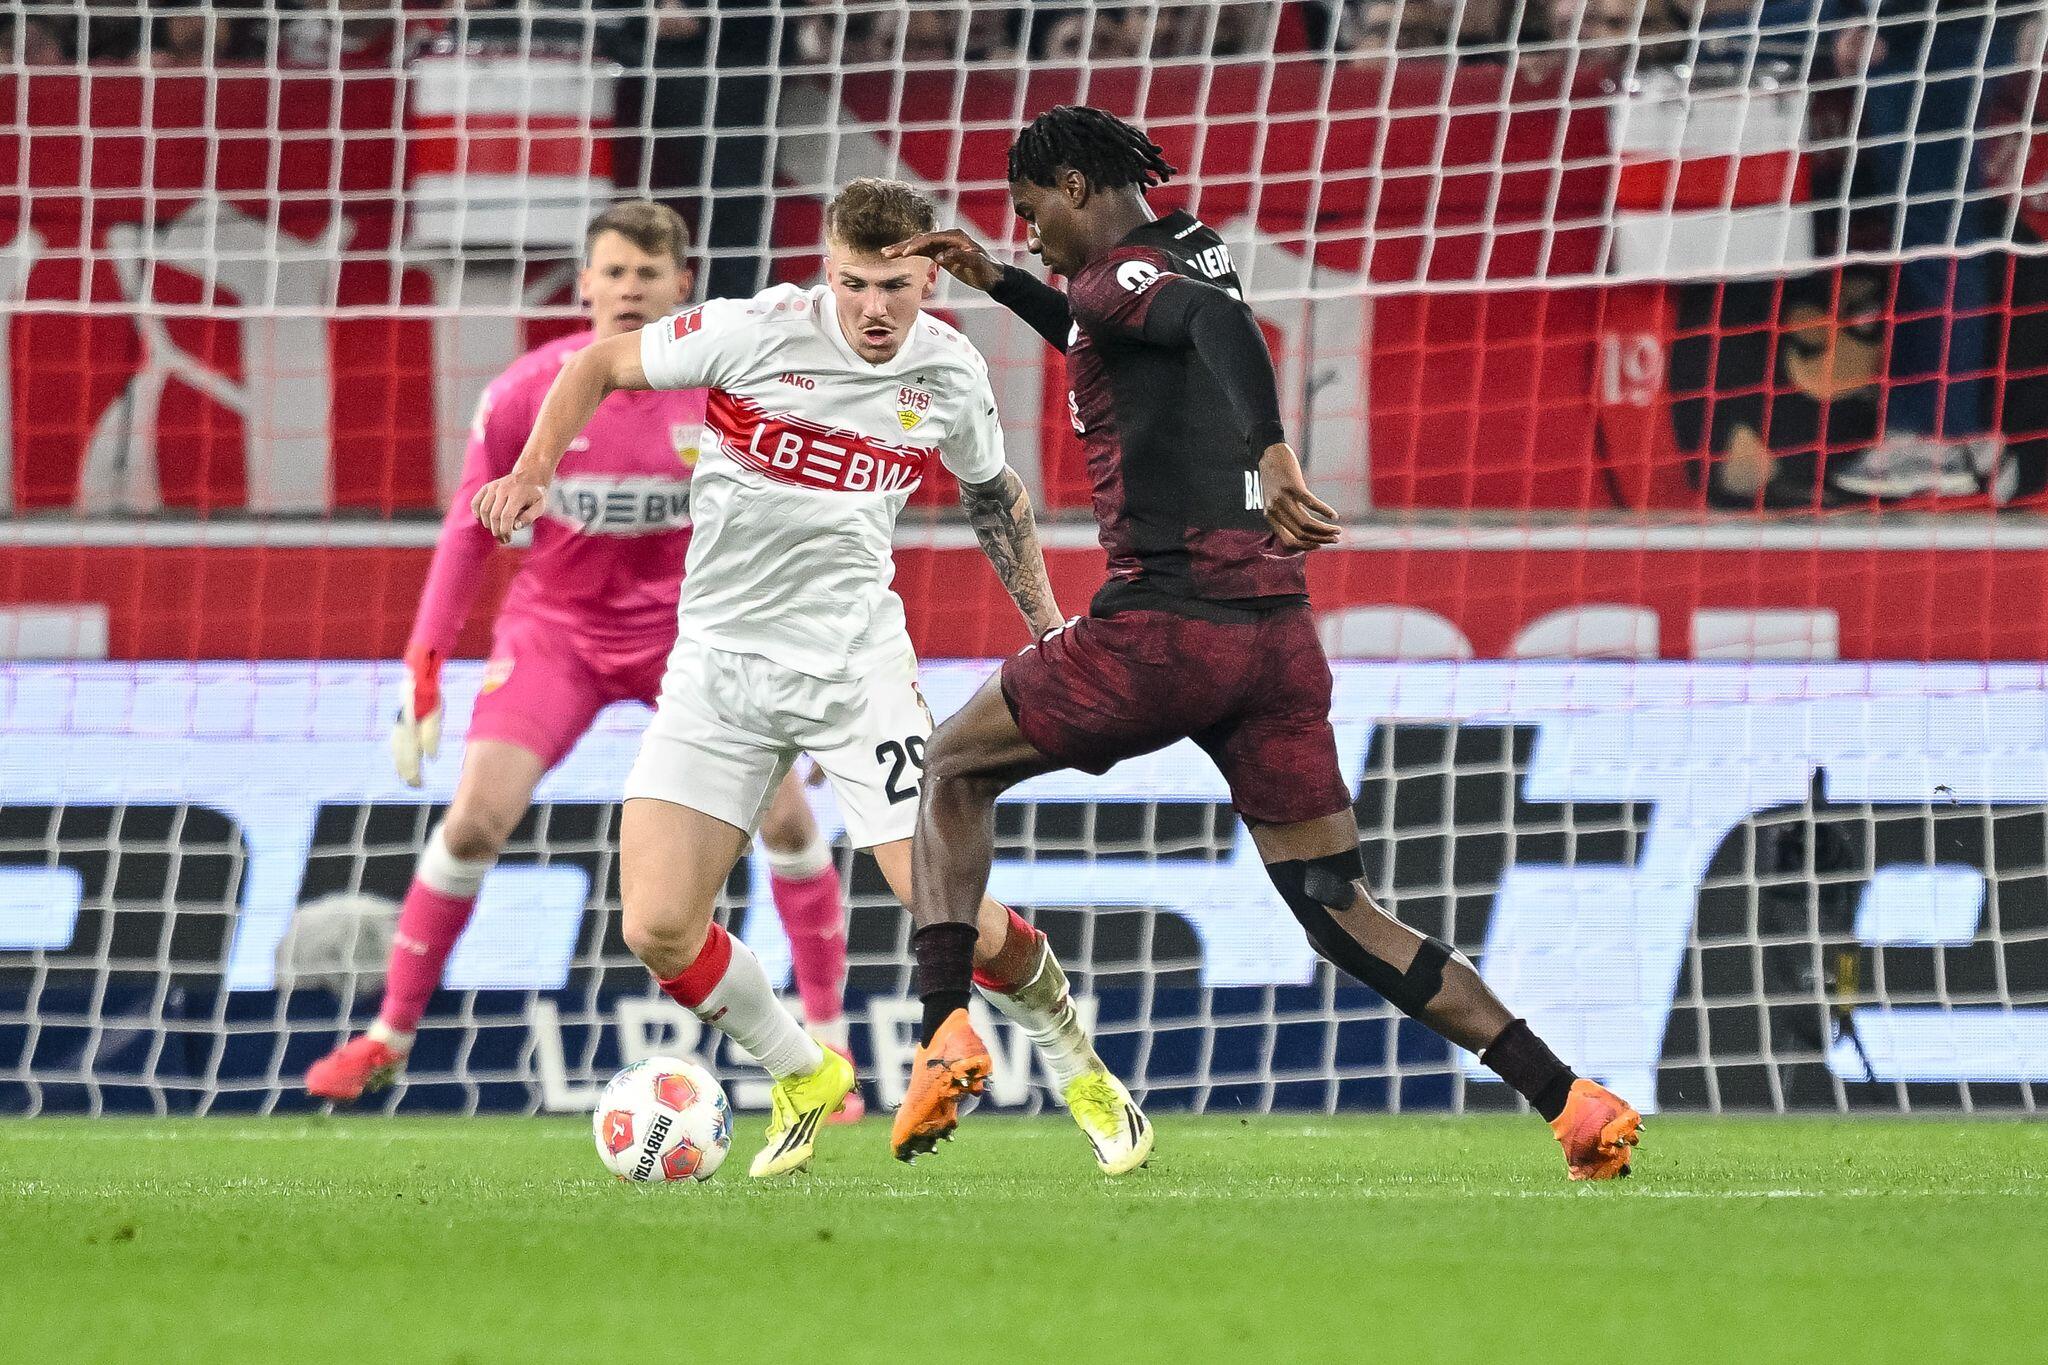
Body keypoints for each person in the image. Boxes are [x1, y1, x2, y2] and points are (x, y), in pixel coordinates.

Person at [883, 107, 1642, 1180]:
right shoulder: (1187, 245)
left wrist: (1273, 451)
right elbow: (1137, 326)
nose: (1031, 233)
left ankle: (941, 1031)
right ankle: (1569, 1099)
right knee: (1339, 911)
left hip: (1161, 632)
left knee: (954, 767)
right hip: (1274, 638)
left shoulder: (1129, 283)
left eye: (1030, 211)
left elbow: (1205, 326)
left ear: (1074, 185)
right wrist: (1002, 281)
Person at [473, 178, 1153, 1178]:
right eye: (853, 284)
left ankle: (1076, 1061)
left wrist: (1050, 629)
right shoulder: (752, 331)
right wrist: (535, 470)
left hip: (854, 674)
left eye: (894, 286)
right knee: (657, 926)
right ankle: (803, 1068)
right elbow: (600, 363)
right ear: (826, 272)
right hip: (718, 671)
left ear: (929, 277)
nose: (873, 307)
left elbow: (994, 495)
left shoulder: (949, 372)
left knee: (952, 919)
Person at [305, 202, 863, 1124]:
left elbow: (791, 530)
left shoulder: (727, 391)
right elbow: (469, 527)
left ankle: (829, 1039)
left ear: (683, 284)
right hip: (558, 633)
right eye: (613, 272)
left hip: (694, 636)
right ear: (587, 283)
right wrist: (425, 659)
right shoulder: (531, 390)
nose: (629, 289)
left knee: (787, 815)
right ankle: (389, 1037)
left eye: (647, 273)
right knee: (475, 821)